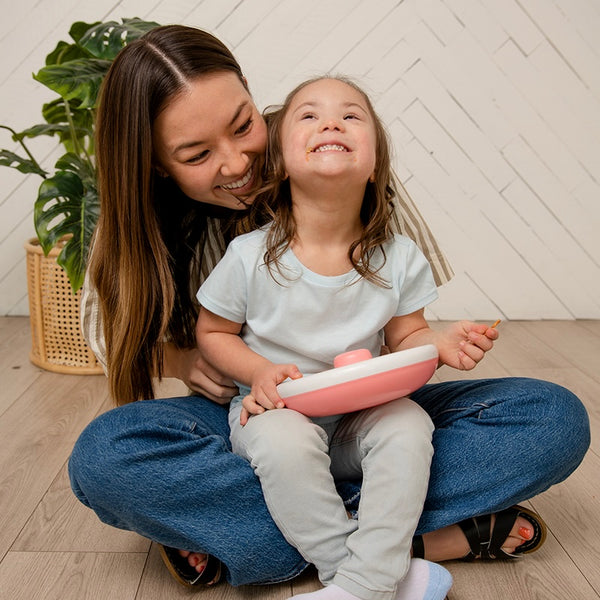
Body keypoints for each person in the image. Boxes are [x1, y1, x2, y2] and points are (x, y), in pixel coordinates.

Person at [68, 24, 590, 590]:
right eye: (197, 154)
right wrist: (183, 359)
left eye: (244, 125)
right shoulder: (147, 221)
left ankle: (269, 543)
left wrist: (435, 345)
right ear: (155, 165)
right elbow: (103, 327)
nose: (238, 161)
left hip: (368, 410)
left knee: (552, 417)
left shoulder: (327, 146)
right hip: (256, 412)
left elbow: (405, 326)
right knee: (103, 457)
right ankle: (395, 547)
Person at [195, 75, 478, 600]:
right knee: (284, 440)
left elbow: (408, 333)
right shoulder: (249, 256)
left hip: (357, 420)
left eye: (352, 116)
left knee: (409, 421)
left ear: (375, 167)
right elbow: (212, 333)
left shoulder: (397, 256)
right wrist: (258, 372)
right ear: (278, 165)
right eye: (309, 116)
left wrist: (436, 343)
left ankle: (358, 581)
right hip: (275, 415)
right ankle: (367, 580)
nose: (331, 122)